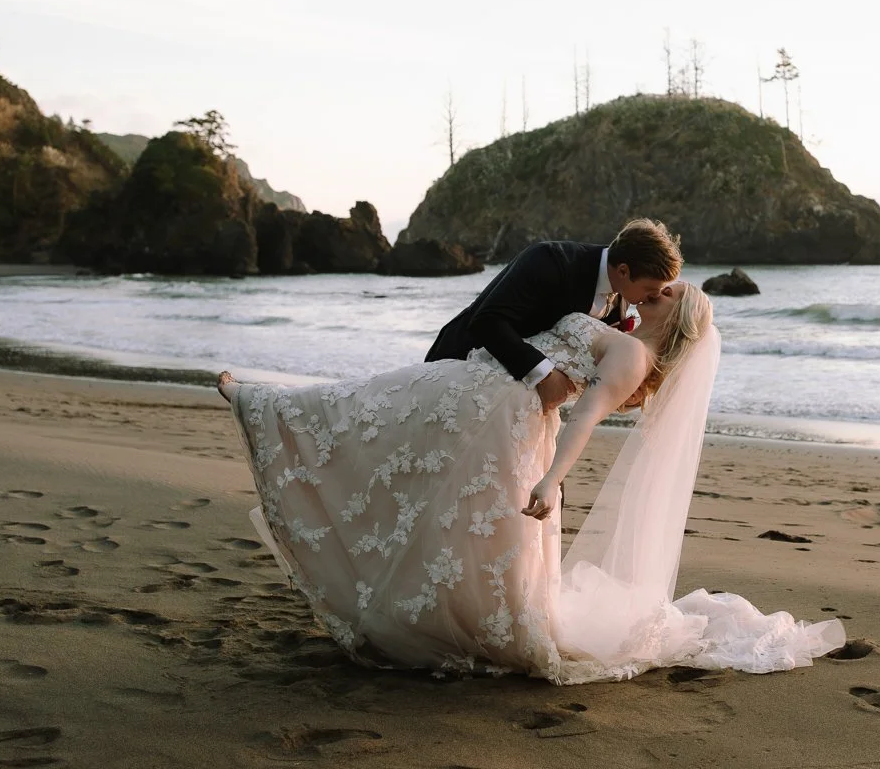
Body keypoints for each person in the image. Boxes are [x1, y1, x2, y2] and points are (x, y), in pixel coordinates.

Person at [217, 280, 842, 684]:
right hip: (478, 401)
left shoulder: (633, 356)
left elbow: (584, 420)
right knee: (374, 428)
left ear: (678, 315)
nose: (666, 286)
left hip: (498, 421)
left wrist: (550, 481)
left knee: (367, 422)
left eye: (674, 292)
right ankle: (267, 407)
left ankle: (261, 404)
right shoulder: (622, 330)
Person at [426, 218, 683, 413]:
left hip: (517, 404)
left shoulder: (621, 297)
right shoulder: (549, 261)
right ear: (624, 271)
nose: (652, 297)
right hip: (459, 371)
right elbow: (488, 321)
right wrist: (544, 374)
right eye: (650, 290)